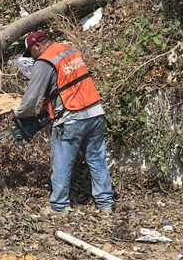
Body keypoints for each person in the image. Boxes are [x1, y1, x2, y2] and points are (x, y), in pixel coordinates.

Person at [14, 30, 114, 217]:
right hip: (94, 112)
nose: (32, 58)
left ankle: (59, 206)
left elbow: (31, 97)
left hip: (71, 117)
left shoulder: (44, 61)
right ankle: (106, 204)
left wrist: (19, 114)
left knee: (61, 161)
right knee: (97, 159)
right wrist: (48, 107)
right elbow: (67, 84)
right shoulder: (69, 50)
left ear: (38, 46)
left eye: (31, 53)